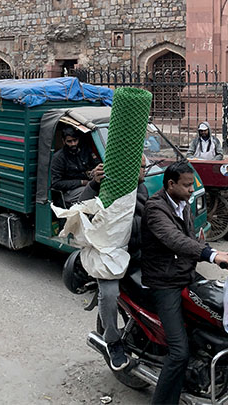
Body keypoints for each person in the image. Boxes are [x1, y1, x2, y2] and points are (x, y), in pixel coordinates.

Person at [141, 162, 228, 405]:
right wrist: (212, 256)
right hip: (164, 281)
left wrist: (212, 250)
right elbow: (174, 240)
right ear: (171, 184)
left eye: (191, 185)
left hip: (184, 273)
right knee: (179, 352)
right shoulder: (155, 208)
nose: (190, 190)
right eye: (186, 185)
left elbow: (190, 239)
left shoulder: (182, 204)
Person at [94, 157, 152, 372]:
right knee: (109, 294)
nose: (146, 171)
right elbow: (82, 208)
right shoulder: (106, 188)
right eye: (143, 167)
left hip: (136, 257)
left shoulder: (143, 190)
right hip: (110, 259)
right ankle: (112, 341)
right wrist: (92, 184)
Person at [50, 127, 105, 206]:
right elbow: (56, 183)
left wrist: (94, 171)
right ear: (64, 141)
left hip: (90, 182)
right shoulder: (58, 158)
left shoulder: (85, 149)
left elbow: (96, 164)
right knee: (92, 194)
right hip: (70, 191)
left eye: (75, 140)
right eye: (69, 141)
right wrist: (81, 182)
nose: (73, 144)